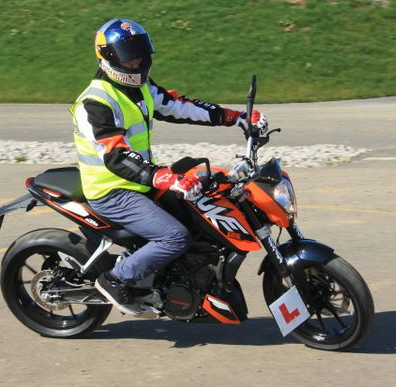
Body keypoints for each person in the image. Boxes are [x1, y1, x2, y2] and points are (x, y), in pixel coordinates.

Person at [69, 18, 268, 315]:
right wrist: (163, 176)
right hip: (112, 191)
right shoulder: (95, 103)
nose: (137, 60)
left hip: (141, 182)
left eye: (139, 52)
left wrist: (235, 117)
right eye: (128, 54)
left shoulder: (141, 88)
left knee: (208, 195)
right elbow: (116, 156)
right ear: (109, 57)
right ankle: (115, 280)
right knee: (174, 236)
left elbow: (180, 106)